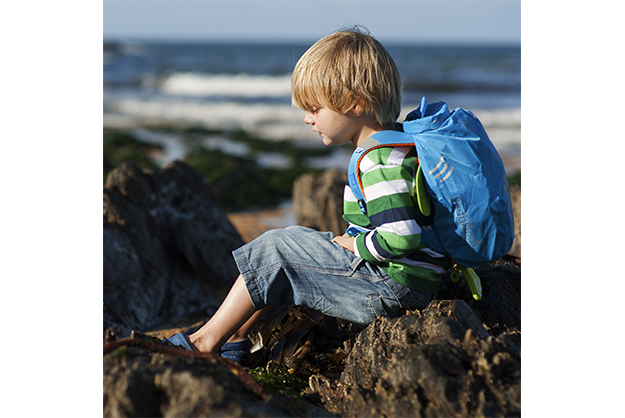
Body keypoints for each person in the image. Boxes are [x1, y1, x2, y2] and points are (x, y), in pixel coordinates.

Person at [164, 27, 451, 364]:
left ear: (355, 103)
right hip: (405, 282)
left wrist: (353, 245)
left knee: (275, 248)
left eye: (315, 109)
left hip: (390, 289)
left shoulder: (378, 161)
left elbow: (402, 237)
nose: (307, 118)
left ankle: (204, 342)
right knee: (292, 243)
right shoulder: (398, 146)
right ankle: (238, 337)